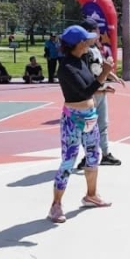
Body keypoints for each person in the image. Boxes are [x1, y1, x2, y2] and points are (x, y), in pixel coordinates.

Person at [47, 25, 115, 223]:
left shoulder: (81, 60)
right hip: (73, 120)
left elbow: (89, 85)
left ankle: (91, 195)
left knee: (94, 156)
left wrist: (103, 88)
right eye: (86, 40)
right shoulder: (66, 67)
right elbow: (84, 92)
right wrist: (105, 72)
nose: (89, 42)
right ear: (77, 44)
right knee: (68, 160)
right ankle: (56, 205)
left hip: (90, 117)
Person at [80, 21, 123, 167]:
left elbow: (100, 67)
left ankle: (105, 154)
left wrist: (112, 76)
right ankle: (88, 155)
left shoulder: (96, 49)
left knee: (103, 124)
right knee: (89, 126)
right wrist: (102, 88)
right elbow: (87, 78)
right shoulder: (84, 52)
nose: (99, 33)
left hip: (100, 91)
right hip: (92, 94)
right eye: (97, 31)